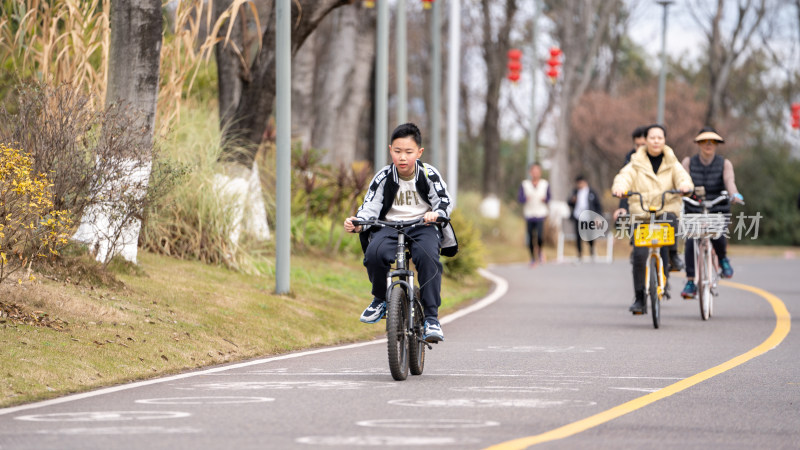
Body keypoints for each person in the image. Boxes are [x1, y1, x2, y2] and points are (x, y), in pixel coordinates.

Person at [344, 123, 457, 343]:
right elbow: (370, 206)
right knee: (374, 254)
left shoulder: (428, 174)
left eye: (408, 152)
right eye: (397, 152)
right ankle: (380, 299)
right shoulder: (383, 176)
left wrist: (436, 214)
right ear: (390, 150)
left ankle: (431, 318)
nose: (402, 157)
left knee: (429, 258)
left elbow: (444, 201)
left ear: (419, 152)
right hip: (389, 226)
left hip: (422, 225)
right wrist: (358, 223)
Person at [612, 124, 693, 314]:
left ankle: (673, 254)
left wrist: (684, 187)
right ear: (646, 141)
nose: (656, 141)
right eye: (652, 137)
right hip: (642, 213)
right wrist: (619, 189)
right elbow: (623, 177)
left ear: (664, 140)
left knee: (669, 221)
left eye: (660, 137)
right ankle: (640, 298)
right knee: (639, 255)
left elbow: (683, 178)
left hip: (666, 208)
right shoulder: (635, 163)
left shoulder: (672, 162)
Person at [680, 127, 743, 299]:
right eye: (704, 142)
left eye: (712, 142)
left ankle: (723, 259)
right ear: (699, 144)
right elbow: (682, 181)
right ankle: (691, 281)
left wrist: (734, 194)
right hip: (694, 207)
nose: (708, 145)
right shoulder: (688, 162)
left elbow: (729, 181)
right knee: (691, 240)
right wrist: (682, 191)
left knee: (717, 233)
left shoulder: (725, 164)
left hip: (717, 206)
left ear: (716, 144)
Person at [518, 163, 550, 266]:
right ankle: (532, 257)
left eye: (537, 171)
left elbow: (549, 197)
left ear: (540, 172)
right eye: (533, 171)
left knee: (540, 236)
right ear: (530, 172)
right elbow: (520, 198)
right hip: (529, 214)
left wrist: (545, 199)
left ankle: (539, 250)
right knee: (531, 237)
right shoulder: (525, 184)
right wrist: (525, 199)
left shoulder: (545, 184)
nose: (535, 173)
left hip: (540, 213)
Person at [567, 175, 603, 260]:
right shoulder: (575, 192)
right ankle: (579, 253)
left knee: (589, 235)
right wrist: (572, 201)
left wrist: (598, 216)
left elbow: (598, 205)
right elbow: (568, 202)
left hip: (589, 216)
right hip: (578, 216)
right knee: (578, 236)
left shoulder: (591, 192)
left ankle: (592, 249)